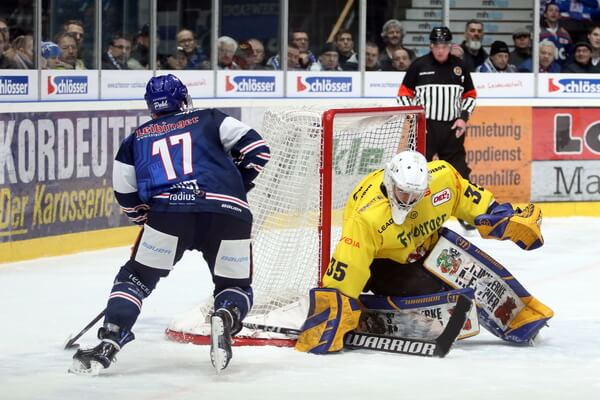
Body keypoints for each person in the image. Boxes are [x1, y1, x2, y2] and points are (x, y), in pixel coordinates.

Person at [69, 74, 270, 375]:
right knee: (235, 286)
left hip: (169, 215)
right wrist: (234, 186)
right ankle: (227, 315)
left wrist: (145, 219)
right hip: (229, 214)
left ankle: (110, 339)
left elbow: (125, 191)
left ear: (151, 107)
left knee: (135, 278)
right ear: (184, 99)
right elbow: (258, 149)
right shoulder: (210, 118)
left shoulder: (136, 139)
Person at [294, 150, 551, 354]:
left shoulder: (443, 179)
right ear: (390, 182)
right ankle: (375, 312)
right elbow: (350, 263)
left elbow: (469, 197)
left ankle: (522, 317)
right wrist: (334, 307)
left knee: (474, 275)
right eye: (403, 192)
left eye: (415, 194)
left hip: (430, 247)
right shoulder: (367, 217)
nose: (408, 199)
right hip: (385, 265)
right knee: (440, 294)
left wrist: (499, 215)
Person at [397, 27, 475, 181]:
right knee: (415, 170)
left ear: (450, 46)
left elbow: (470, 95)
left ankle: (463, 197)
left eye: (444, 46)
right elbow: (403, 94)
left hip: (452, 128)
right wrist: (415, 118)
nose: (440, 51)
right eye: (437, 46)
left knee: (459, 173)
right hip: (425, 127)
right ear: (431, 46)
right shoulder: (419, 65)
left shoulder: (460, 67)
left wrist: (463, 118)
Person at [540, 1, 572, 65]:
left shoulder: (565, 34)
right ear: (545, 14)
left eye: (556, 11)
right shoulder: (539, 32)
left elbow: (569, 53)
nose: (554, 13)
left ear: (559, 15)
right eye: (550, 10)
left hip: (562, 68)